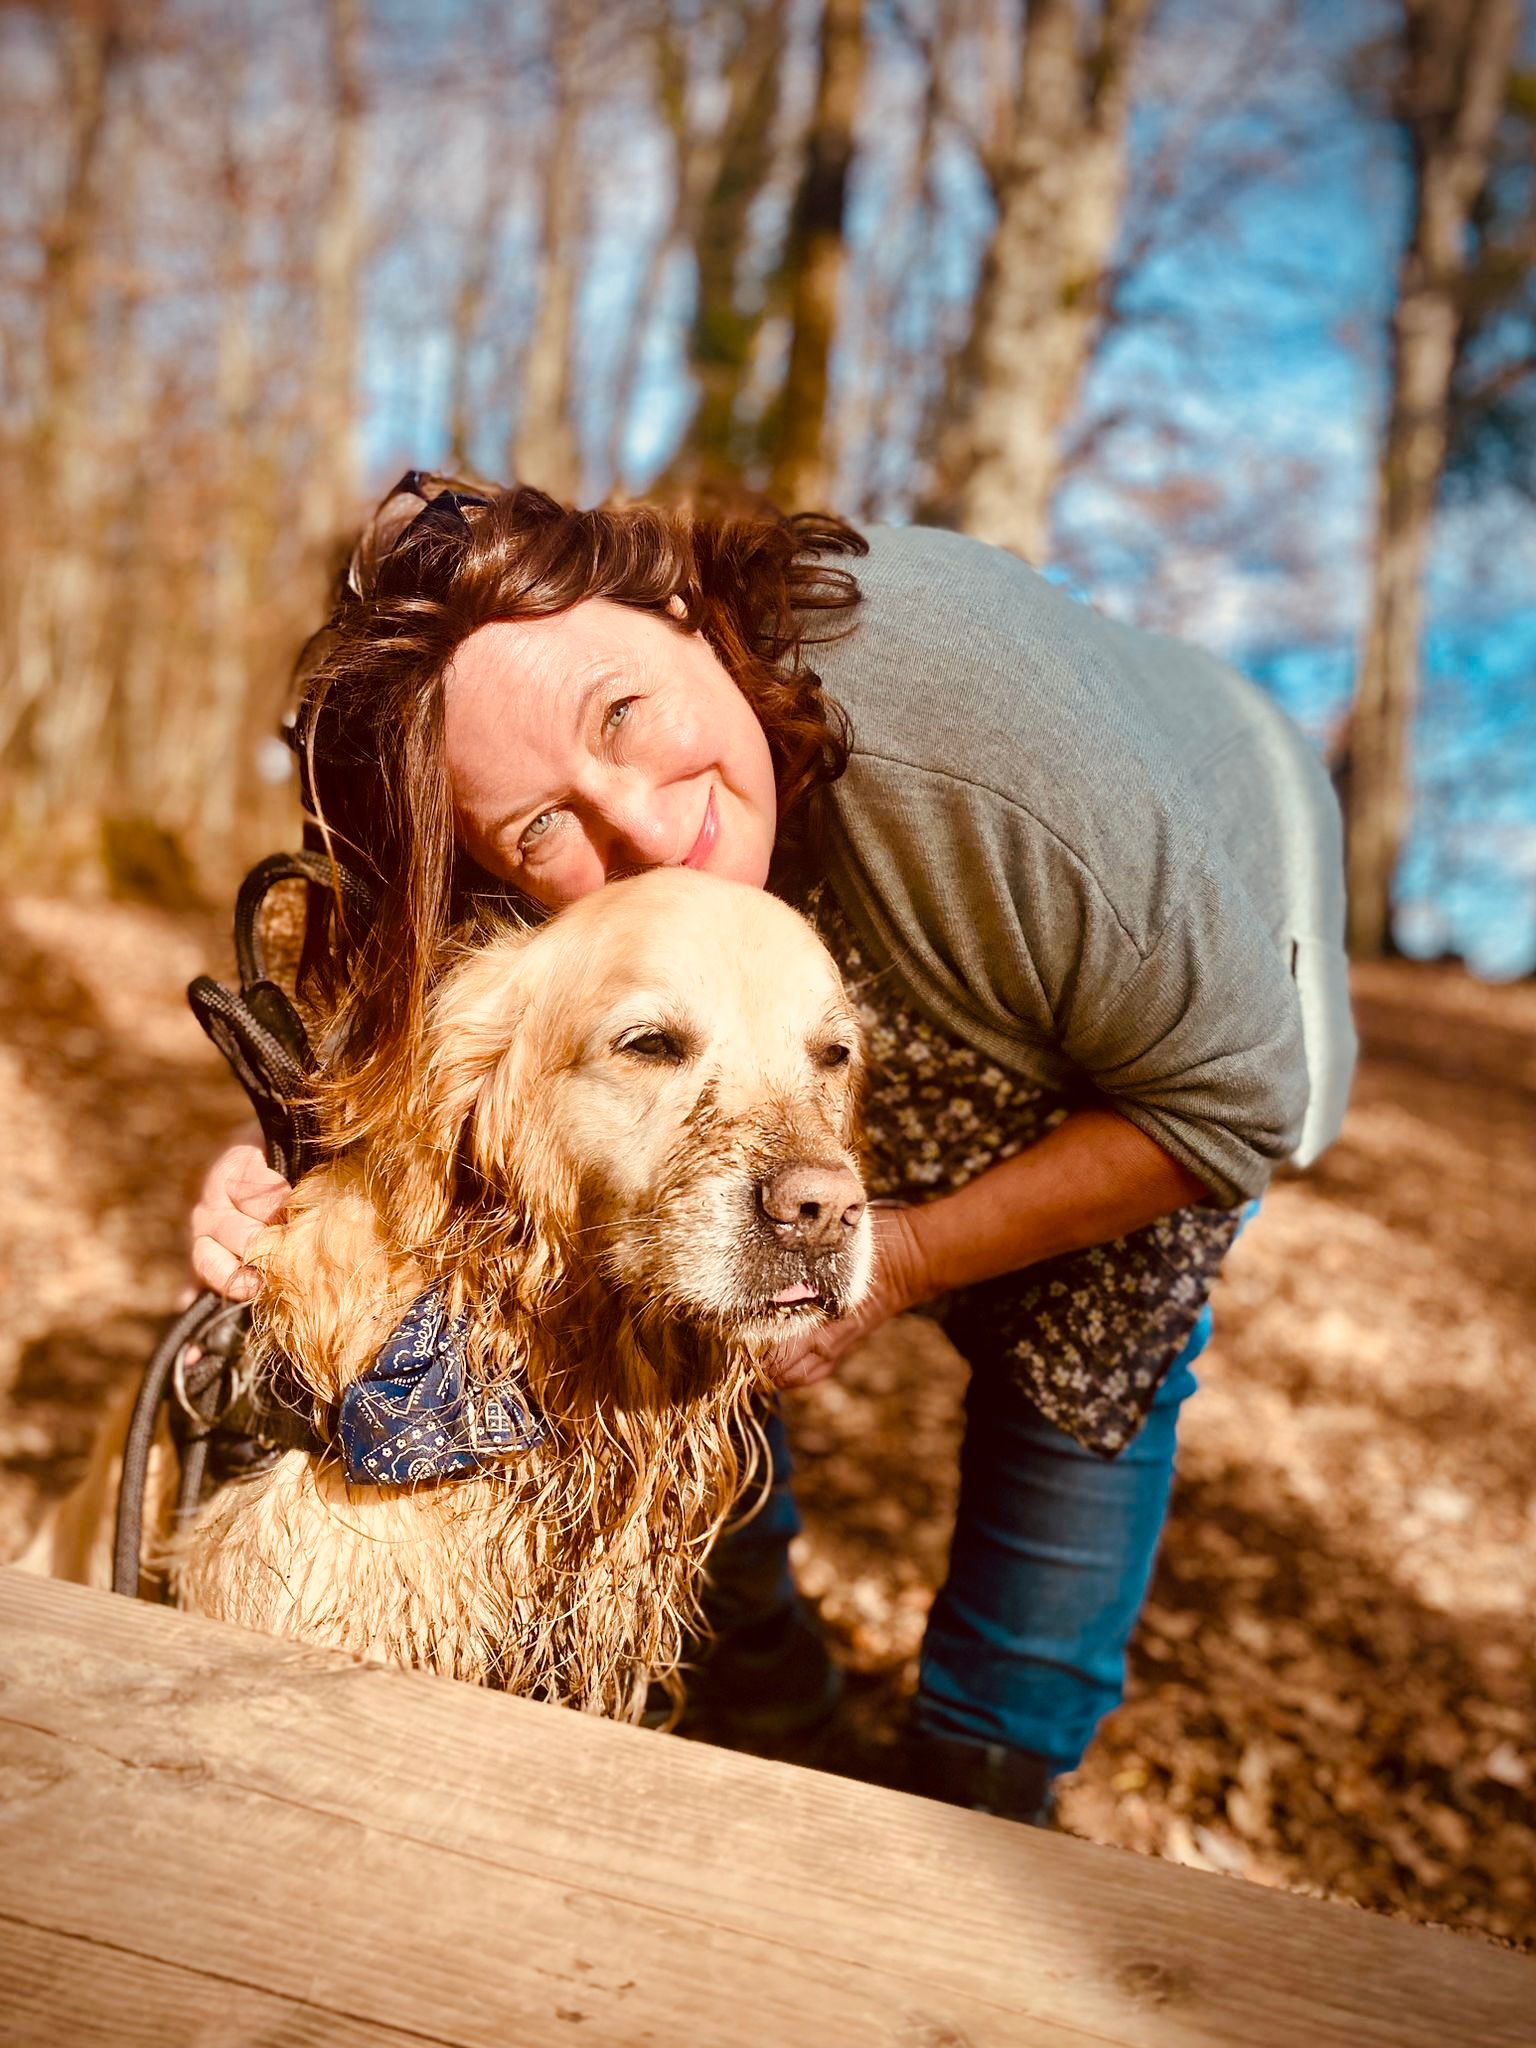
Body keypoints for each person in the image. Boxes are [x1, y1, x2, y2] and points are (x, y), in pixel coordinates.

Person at [190, 473, 1356, 1823]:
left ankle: (985, 1806)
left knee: (1076, 1413)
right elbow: (414, 1035)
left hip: (1180, 1005)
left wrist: (908, 1255)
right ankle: (774, 1732)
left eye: (620, 715)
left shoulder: (976, 745)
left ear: (681, 607)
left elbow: (1228, 1111)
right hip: (853, 1018)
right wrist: (277, 1170)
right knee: (667, 1300)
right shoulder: (537, 781)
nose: (636, 819)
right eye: (543, 826)